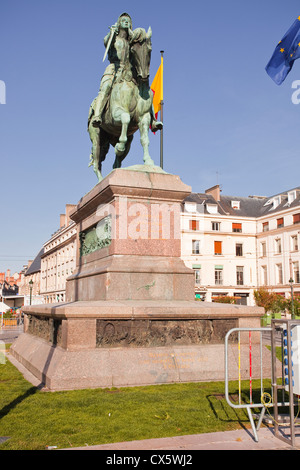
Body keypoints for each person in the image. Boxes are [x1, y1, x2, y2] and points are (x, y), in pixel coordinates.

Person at [91, 13, 162, 132]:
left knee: (146, 90)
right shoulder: (114, 38)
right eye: (123, 20)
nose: (126, 22)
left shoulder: (131, 42)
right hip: (114, 68)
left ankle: (152, 120)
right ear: (119, 23)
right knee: (106, 88)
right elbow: (106, 42)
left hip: (128, 70)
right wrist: (111, 33)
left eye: (128, 21)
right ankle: (97, 115)